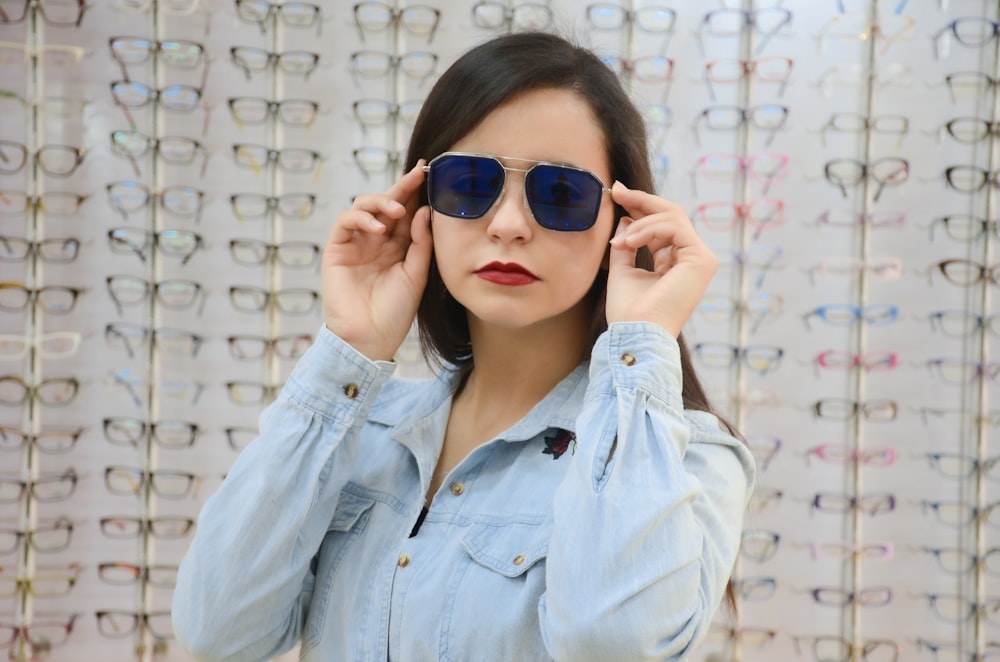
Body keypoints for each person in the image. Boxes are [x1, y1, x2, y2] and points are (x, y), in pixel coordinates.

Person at [173, 31, 755, 662]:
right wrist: (351, 348)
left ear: (622, 221)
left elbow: (611, 644)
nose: (507, 224)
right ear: (424, 205)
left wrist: (642, 340)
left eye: (560, 193)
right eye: (471, 183)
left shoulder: (686, 459)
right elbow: (218, 631)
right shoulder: (360, 431)